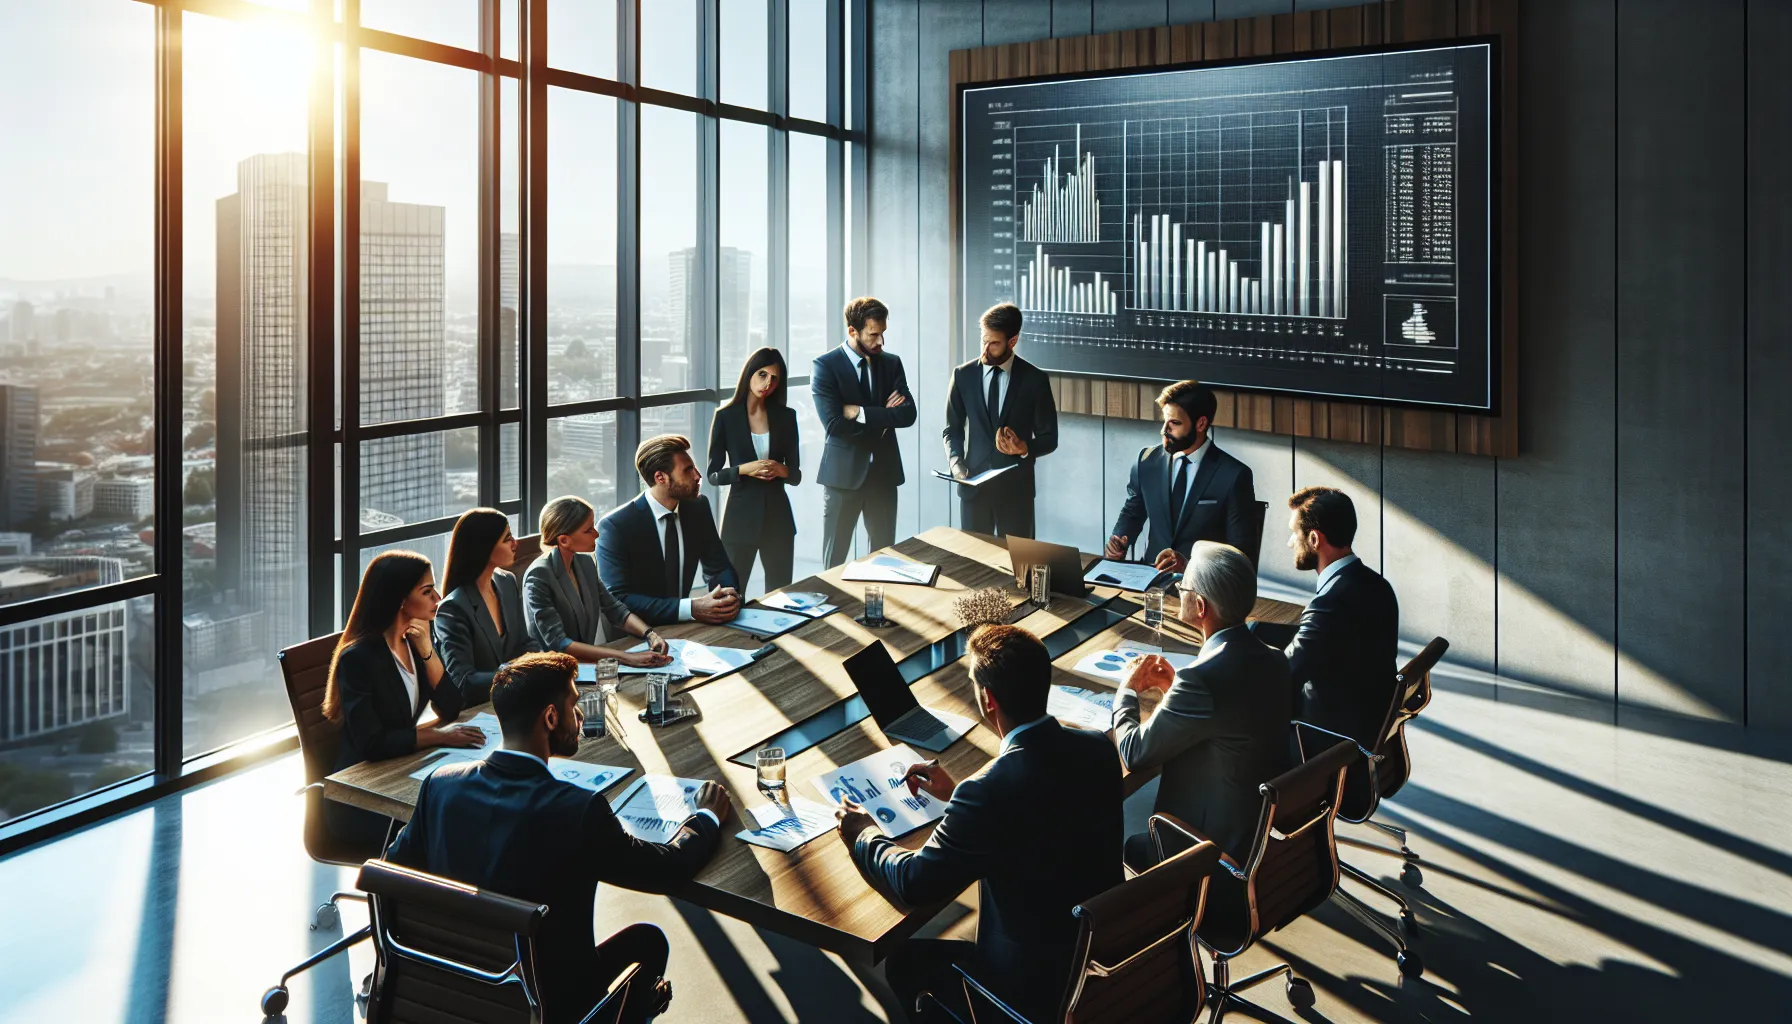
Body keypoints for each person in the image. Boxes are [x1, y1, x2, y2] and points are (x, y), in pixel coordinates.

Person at [386, 652, 731, 1024]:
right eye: (574, 705)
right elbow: (667, 868)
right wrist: (706, 816)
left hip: (455, 993)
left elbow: (392, 874)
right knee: (648, 942)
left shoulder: (441, 786)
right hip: (549, 1006)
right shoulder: (577, 810)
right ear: (550, 718)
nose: (580, 717)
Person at [837, 624, 1122, 1023]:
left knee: (904, 963)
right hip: (1103, 959)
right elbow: (1042, 818)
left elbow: (915, 882)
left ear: (988, 700)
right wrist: (958, 798)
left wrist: (863, 834)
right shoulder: (1098, 748)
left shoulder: (989, 791)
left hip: (1031, 988)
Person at [1112, 541, 1293, 870]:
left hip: (1203, 851)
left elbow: (1134, 753)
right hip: (1251, 833)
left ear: (1199, 605)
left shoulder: (1201, 680)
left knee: (1119, 842)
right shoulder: (1274, 659)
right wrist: (1173, 691)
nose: (1179, 591)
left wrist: (1127, 689)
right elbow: (1229, 717)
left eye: (1182, 587)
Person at [321, 551, 486, 848]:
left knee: (475, 806)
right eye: (426, 591)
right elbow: (372, 743)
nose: (437, 597)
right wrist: (439, 737)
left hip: (402, 770)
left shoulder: (414, 639)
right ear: (399, 599)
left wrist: (426, 650)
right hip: (363, 797)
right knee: (461, 822)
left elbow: (451, 706)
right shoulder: (358, 658)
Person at [1282, 486, 1400, 749]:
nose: (1290, 542)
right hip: (1365, 727)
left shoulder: (1329, 603)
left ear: (1314, 539)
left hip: (1328, 745)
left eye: (1294, 533)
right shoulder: (1378, 585)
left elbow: (1283, 674)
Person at [1106, 380, 1258, 573]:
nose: (1164, 430)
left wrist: (1189, 566)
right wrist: (1119, 540)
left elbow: (1241, 554)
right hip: (1150, 582)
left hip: (1204, 589)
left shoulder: (1234, 475)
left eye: (1175, 423)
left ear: (1201, 423)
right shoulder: (1147, 461)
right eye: (1164, 421)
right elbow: (1132, 512)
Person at [813, 296, 916, 568]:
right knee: (834, 562)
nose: (880, 342)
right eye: (873, 335)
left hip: (883, 476)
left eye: (882, 334)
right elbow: (834, 424)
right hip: (842, 479)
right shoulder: (825, 366)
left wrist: (860, 412)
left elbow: (907, 414)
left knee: (885, 562)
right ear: (852, 331)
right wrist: (884, 418)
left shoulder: (891, 363)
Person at [598, 435, 742, 627]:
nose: (698, 476)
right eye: (688, 470)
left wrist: (727, 597)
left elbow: (718, 566)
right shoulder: (615, 526)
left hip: (685, 628)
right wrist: (691, 608)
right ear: (661, 477)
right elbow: (618, 599)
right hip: (636, 634)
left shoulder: (697, 507)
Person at [941, 303, 1058, 538]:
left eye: (994, 343)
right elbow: (952, 430)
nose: (985, 350)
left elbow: (1049, 438)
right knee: (973, 567)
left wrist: (1025, 448)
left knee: (1018, 569)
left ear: (1012, 341)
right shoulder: (962, 375)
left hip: (1016, 494)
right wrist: (955, 463)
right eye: (983, 340)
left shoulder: (1035, 380)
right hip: (973, 491)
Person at [522, 495, 674, 668]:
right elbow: (560, 643)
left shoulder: (585, 563)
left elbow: (615, 610)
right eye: (588, 530)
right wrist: (625, 657)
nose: (596, 533)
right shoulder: (538, 576)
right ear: (564, 540)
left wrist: (650, 634)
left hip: (586, 665)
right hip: (553, 672)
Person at [706, 347, 802, 595]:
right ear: (749, 373)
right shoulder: (725, 417)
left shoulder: (786, 417)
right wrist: (743, 469)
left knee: (781, 596)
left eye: (774, 378)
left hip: (778, 520)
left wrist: (782, 470)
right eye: (762, 374)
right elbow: (713, 475)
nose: (767, 383)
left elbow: (796, 475)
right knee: (730, 596)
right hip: (740, 522)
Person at [433, 508, 544, 705]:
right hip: (481, 708)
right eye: (507, 538)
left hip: (517, 698)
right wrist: (519, 673)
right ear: (484, 547)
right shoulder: (453, 608)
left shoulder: (507, 581)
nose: (515, 543)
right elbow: (464, 681)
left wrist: (544, 664)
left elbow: (524, 642)